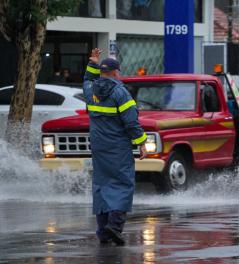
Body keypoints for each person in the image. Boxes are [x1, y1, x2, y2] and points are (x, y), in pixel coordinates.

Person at [83, 48, 147, 246]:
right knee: (123, 184)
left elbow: (86, 80)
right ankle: (115, 227)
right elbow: (131, 123)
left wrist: (92, 63)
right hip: (117, 147)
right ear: (115, 72)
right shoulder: (121, 93)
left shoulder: (90, 90)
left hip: (99, 147)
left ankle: (102, 232)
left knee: (101, 186)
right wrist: (141, 143)